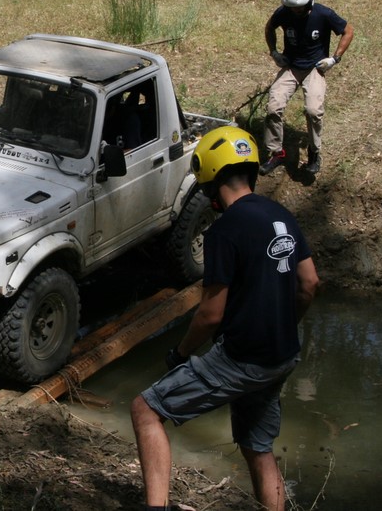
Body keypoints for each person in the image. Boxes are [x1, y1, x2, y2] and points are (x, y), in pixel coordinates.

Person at [130, 126, 321, 511]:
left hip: (242, 358)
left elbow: (210, 314)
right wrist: (286, 325)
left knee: (146, 410)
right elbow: (309, 283)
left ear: (210, 181)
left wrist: (181, 353)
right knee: (257, 446)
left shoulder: (225, 231)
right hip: (282, 355)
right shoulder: (281, 215)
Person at [261, 0, 354, 177]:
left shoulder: (323, 14)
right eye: (291, 7)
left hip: (314, 68)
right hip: (291, 66)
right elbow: (269, 27)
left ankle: (313, 152)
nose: (295, 11)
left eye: (299, 7)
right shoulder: (284, 12)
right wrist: (274, 52)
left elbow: (348, 31)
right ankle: (277, 152)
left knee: (313, 111)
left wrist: (334, 59)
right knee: (273, 107)